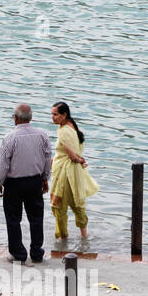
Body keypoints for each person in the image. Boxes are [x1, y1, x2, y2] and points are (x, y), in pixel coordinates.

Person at [0, 104, 52, 263]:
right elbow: (47, 159)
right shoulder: (43, 135)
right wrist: (45, 178)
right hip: (35, 181)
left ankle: (18, 253)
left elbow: (3, 164)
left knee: (13, 218)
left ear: (16, 118)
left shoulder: (10, 138)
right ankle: (37, 252)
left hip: (14, 184)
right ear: (30, 117)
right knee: (36, 217)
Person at [49, 101, 99, 241]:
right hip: (74, 173)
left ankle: (63, 239)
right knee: (77, 204)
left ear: (64, 115)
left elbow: (72, 156)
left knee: (59, 205)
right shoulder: (73, 128)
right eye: (51, 114)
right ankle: (84, 236)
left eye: (55, 114)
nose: (52, 117)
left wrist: (80, 160)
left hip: (65, 173)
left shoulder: (64, 131)